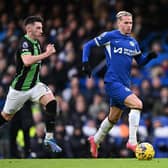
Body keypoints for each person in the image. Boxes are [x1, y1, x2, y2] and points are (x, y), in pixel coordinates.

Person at [82, 11, 157, 158]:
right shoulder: (110, 36)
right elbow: (87, 45)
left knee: (113, 118)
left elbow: (140, 61)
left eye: (131, 23)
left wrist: (149, 57)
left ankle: (95, 140)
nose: (129, 25)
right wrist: (85, 62)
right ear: (118, 23)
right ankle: (132, 142)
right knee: (137, 104)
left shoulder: (133, 42)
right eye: (126, 22)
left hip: (124, 84)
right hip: (112, 82)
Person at [0, 16, 62, 153]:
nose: (41, 30)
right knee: (6, 117)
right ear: (29, 29)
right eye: (38, 28)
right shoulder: (24, 43)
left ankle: (49, 138)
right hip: (19, 90)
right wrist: (47, 54)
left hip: (34, 86)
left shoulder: (36, 43)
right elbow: (27, 61)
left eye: (41, 27)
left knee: (52, 103)